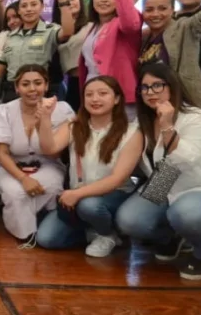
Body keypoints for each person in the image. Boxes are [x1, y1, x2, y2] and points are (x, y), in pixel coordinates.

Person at [115, 63, 201, 279]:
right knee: (129, 220)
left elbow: (182, 158)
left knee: (185, 212)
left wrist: (166, 126)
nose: (150, 92)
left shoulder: (197, 118)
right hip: (165, 181)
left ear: (172, 87)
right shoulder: (142, 121)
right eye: (145, 88)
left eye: (157, 85)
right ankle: (172, 237)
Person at [33, 76, 142, 256]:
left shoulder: (132, 132)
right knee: (47, 238)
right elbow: (49, 148)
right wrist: (44, 119)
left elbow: (118, 179)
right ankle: (94, 229)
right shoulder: (75, 125)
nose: (95, 99)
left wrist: (77, 193)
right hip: (80, 197)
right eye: (89, 94)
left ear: (117, 99)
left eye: (102, 93)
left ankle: (109, 234)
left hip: (114, 195)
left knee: (91, 206)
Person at [0, 64, 73, 246]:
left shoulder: (61, 109)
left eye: (38, 83)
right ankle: (26, 235)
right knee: (15, 192)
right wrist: (23, 178)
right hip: (12, 165)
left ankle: (42, 222)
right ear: (17, 88)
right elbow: (1, 153)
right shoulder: (4, 111)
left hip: (48, 164)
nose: (32, 89)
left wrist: (45, 119)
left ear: (46, 86)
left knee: (50, 186)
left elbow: (55, 152)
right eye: (25, 84)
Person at [77, 0, 143, 116]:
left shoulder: (123, 22)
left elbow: (130, 22)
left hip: (118, 95)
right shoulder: (93, 27)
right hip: (93, 93)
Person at [0, 0, 61, 105]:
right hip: (11, 91)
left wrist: (64, 2)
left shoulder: (50, 31)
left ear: (42, 7)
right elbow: (0, 67)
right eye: (24, 6)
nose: (29, 9)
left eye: (33, 5)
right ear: (19, 10)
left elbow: (67, 32)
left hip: (36, 91)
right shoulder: (11, 37)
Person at [53, 0, 91, 112]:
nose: (69, 3)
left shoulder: (93, 25)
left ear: (80, 0)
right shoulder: (55, 29)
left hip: (92, 78)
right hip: (72, 82)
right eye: (64, 0)